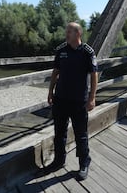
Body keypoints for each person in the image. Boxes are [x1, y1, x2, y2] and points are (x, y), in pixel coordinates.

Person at [46, 22, 98, 181]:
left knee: (81, 134)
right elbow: (55, 72)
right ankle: (58, 161)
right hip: (61, 99)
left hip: (78, 101)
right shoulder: (61, 50)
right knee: (59, 133)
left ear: (78, 34)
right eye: (66, 31)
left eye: (69, 31)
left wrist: (92, 98)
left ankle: (84, 163)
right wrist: (50, 92)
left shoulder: (87, 52)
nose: (66, 34)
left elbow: (94, 75)